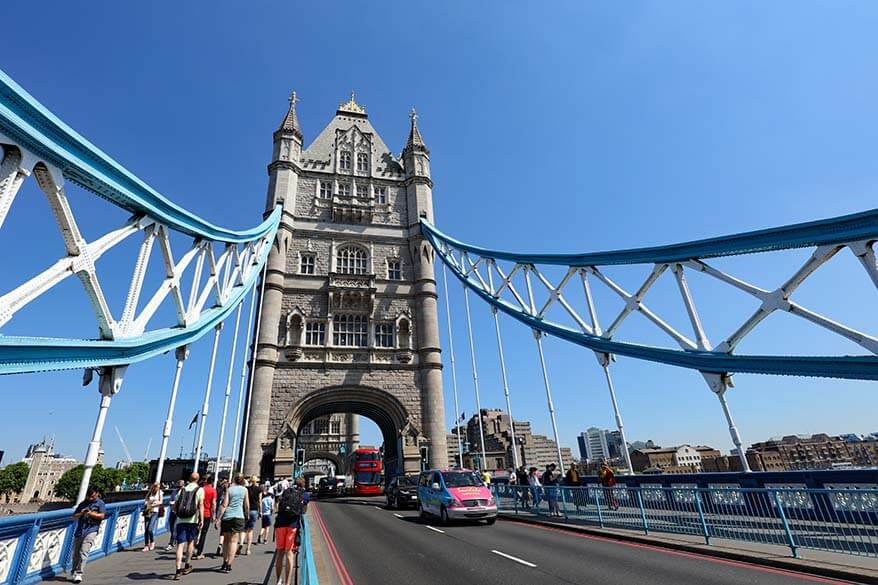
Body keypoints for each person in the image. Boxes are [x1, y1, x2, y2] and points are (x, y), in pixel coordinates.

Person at [273, 478, 309, 585]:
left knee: (280, 552)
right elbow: (304, 511)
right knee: (289, 553)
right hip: (292, 525)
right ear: (303, 484)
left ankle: (278, 580)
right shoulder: (305, 494)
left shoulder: (287, 491)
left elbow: (280, 503)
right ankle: (288, 583)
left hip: (280, 523)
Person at [70, 486, 106, 583]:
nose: (91, 498)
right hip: (80, 530)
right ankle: (73, 571)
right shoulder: (82, 504)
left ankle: (79, 573)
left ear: (97, 494)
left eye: (93, 496)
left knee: (84, 551)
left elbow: (102, 516)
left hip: (92, 530)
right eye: (89, 496)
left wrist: (90, 513)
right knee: (76, 554)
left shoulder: (100, 503)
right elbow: (73, 517)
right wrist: (81, 513)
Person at [173, 472, 204, 580]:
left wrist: (178, 514)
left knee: (180, 545)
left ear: (189, 479)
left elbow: (175, 506)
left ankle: (177, 570)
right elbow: (200, 505)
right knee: (191, 542)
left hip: (181, 520)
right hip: (192, 520)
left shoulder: (182, 490)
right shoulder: (199, 490)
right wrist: (201, 519)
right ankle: (187, 564)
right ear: (198, 479)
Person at [216, 473, 249, 573]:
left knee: (226, 541)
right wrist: (247, 515)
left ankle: (224, 562)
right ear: (243, 480)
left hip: (227, 517)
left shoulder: (229, 489)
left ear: (234, 479)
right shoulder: (244, 490)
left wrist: (218, 518)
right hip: (238, 517)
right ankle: (229, 564)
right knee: (234, 541)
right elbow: (246, 505)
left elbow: (224, 504)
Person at [193, 474, 216, 559]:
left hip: (198, 513)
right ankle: (199, 553)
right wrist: (213, 515)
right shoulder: (213, 491)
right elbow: (213, 504)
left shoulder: (200, 489)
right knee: (203, 533)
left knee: (195, 532)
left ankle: (193, 548)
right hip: (207, 514)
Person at [243, 476, 261, 554]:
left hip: (246, 510)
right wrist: (261, 512)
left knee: (244, 529)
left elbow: (244, 500)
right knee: (250, 530)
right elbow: (260, 501)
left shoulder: (247, 488)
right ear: (256, 481)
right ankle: (248, 549)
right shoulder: (259, 489)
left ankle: (240, 543)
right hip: (254, 510)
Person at [165, 480, 185, 551]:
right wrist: (172, 503)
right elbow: (170, 500)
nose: (179, 487)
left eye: (180, 486)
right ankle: (175, 539)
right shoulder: (174, 491)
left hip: (179, 513)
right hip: (172, 511)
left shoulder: (185, 492)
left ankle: (171, 543)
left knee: (174, 528)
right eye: (178, 486)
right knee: (171, 526)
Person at [142, 483, 163, 552]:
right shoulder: (150, 492)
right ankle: (146, 545)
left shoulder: (160, 492)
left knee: (150, 529)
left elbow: (161, 502)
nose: (158, 488)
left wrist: (154, 504)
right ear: (154, 487)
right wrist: (147, 503)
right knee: (146, 529)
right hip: (148, 511)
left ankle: (152, 542)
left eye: (159, 487)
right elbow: (145, 500)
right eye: (157, 487)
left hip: (155, 512)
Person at [214, 478, 229, 556]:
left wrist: (218, 519)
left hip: (223, 515)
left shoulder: (221, 496)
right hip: (230, 515)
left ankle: (220, 545)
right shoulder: (229, 496)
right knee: (228, 534)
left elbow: (221, 507)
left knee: (222, 532)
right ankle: (224, 550)